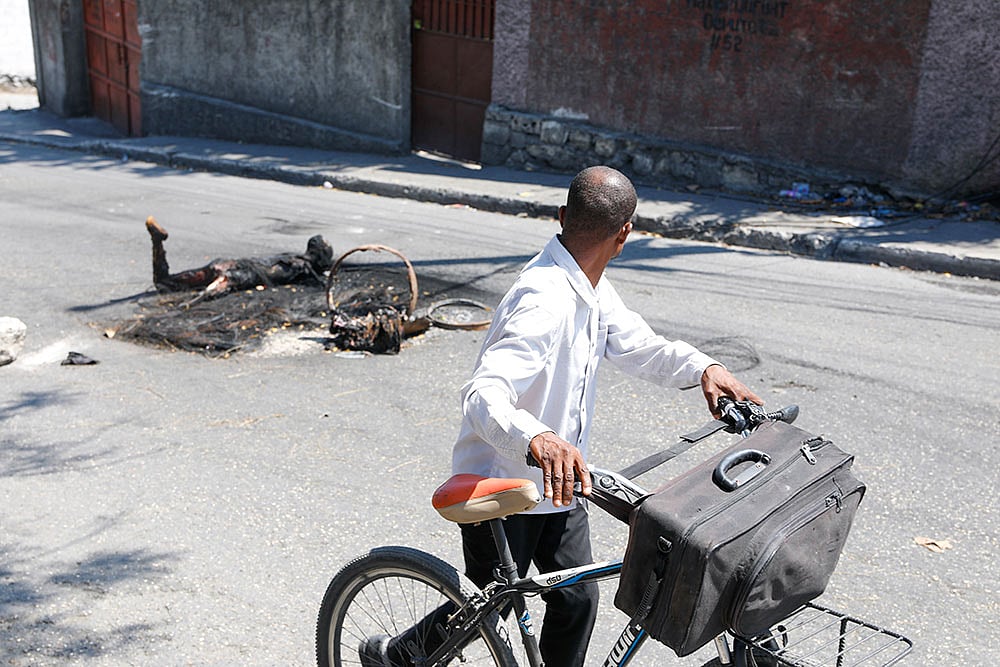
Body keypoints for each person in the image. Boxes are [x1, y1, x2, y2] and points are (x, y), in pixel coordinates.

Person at [451, 166, 761, 667]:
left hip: (560, 483)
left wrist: (705, 367)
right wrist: (538, 438)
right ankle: (398, 653)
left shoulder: (589, 286)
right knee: (485, 614)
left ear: (561, 217)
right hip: (503, 487)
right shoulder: (543, 300)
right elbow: (484, 393)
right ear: (625, 235)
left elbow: (641, 347)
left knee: (576, 599)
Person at [144, 216, 333, 298]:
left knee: (165, 283)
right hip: (240, 274)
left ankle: (157, 242)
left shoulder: (293, 257)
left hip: (228, 265)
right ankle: (188, 305)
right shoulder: (303, 266)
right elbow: (319, 284)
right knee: (180, 291)